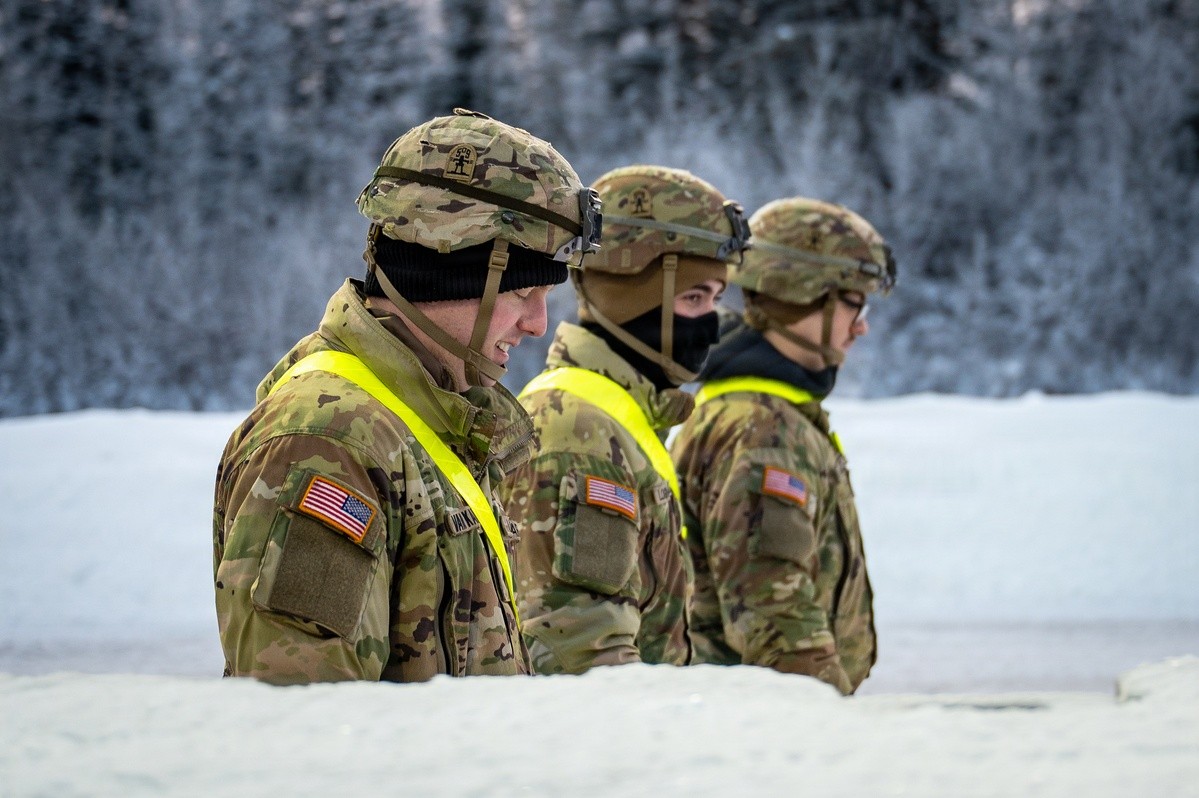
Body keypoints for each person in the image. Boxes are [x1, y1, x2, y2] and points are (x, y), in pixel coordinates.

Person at [212, 109, 601, 684]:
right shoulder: (329, 441)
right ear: (455, 272)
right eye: (524, 292)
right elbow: (305, 717)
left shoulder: (430, 420)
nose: (539, 324)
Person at [500, 165, 749, 674]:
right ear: (632, 295)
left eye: (716, 299)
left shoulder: (619, 417)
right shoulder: (577, 430)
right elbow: (584, 661)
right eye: (693, 298)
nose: (712, 325)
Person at [670, 197, 897, 694]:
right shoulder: (761, 432)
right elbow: (776, 619)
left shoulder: (766, 414)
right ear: (802, 293)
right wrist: (826, 720)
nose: (861, 326)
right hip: (767, 720)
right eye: (853, 303)